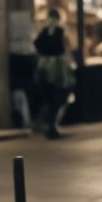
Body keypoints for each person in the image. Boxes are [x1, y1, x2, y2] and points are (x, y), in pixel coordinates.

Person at [33, 8, 74, 139]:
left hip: (43, 66)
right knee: (58, 96)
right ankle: (51, 125)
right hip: (58, 68)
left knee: (49, 97)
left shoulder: (43, 30)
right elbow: (66, 48)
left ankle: (47, 124)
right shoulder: (61, 31)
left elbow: (36, 44)